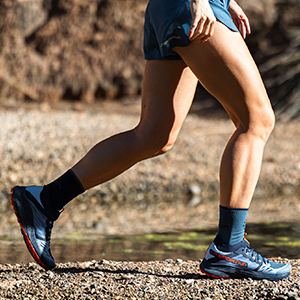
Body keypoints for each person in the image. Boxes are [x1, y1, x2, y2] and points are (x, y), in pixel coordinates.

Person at [11, 0, 291, 280]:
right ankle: (229, 247)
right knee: (256, 121)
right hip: (193, 6)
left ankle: (45, 199)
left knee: (154, 135)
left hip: (167, 8)